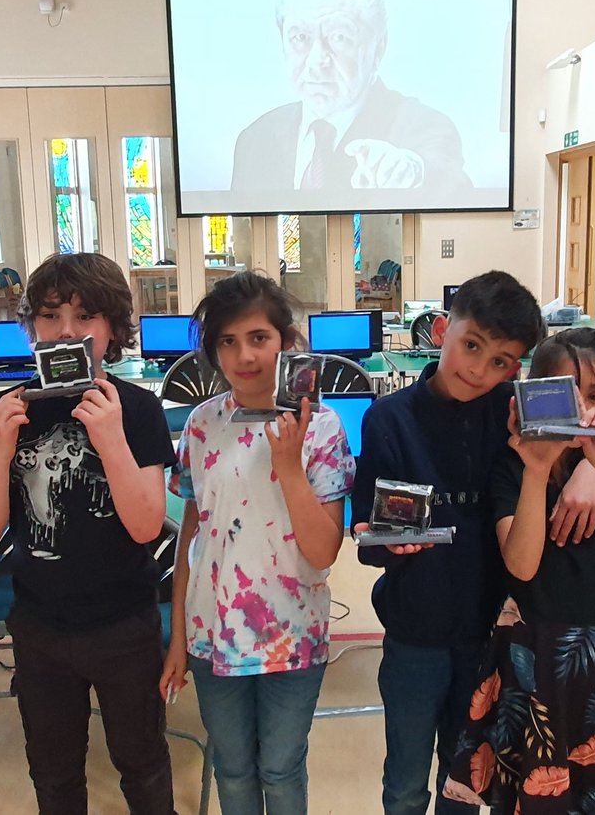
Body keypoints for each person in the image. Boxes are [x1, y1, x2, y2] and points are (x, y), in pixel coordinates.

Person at [0, 252, 176, 815]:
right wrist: (0, 449)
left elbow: (147, 524)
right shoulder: (7, 411)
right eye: (51, 317)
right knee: (54, 773)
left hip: (124, 624)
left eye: (86, 318)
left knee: (143, 764)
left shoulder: (138, 408)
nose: (67, 333)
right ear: (31, 326)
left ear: (113, 328)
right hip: (40, 625)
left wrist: (110, 437)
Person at [442, 328, 595, 812]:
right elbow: (522, 566)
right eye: (561, 394)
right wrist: (537, 468)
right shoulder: (512, 469)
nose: (579, 410)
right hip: (538, 649)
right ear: (533, 397)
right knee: (541, 784)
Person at [158, 271, 355, 815]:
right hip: (210, 634)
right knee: (233, 767)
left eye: (259, 338)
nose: (245, 355)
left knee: (281, 767)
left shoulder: (322, 429)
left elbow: (322, 551)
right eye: (228, 341)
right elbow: (192, 538)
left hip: (290, 636)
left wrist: (289, 465)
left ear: (286, 343)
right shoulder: (201, 424)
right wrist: (178, 637)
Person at [351, 270, 545, 815]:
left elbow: (587, 444)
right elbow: (368, 535)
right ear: (442, 330)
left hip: (490, 637)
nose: (481, 370)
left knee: (464, 785)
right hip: (414, 633)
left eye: (502, 361)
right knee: (406, 781)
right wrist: (384, 543)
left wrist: (582, 472)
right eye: (472, 346)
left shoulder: (516, 413)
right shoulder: (388, 418)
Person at [231, 0, 471, 198]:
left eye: (339, 37)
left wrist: (410, 173)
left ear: (379, 48)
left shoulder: (425, 127)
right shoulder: (254, 141)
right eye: (300, 37)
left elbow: (448, 182)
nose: (317, 61)